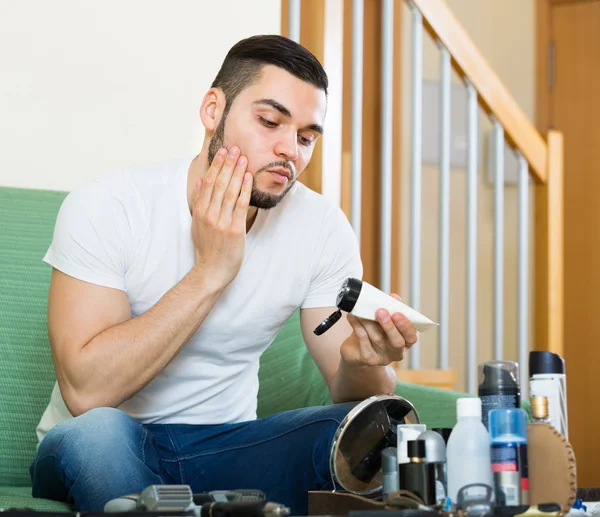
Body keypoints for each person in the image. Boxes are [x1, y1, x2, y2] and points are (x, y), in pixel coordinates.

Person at [30, 34, 417, 515]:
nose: (289, 151)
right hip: (102, 442)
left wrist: (366, 363)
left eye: (305, 137)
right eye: (269, 122)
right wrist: (212, 270)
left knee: (368, 430)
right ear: (213, 110)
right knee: (96, 434)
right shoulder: (108, 207)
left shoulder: (319, 227)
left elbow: (350, 394)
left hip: (224, 449)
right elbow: (88, 392)